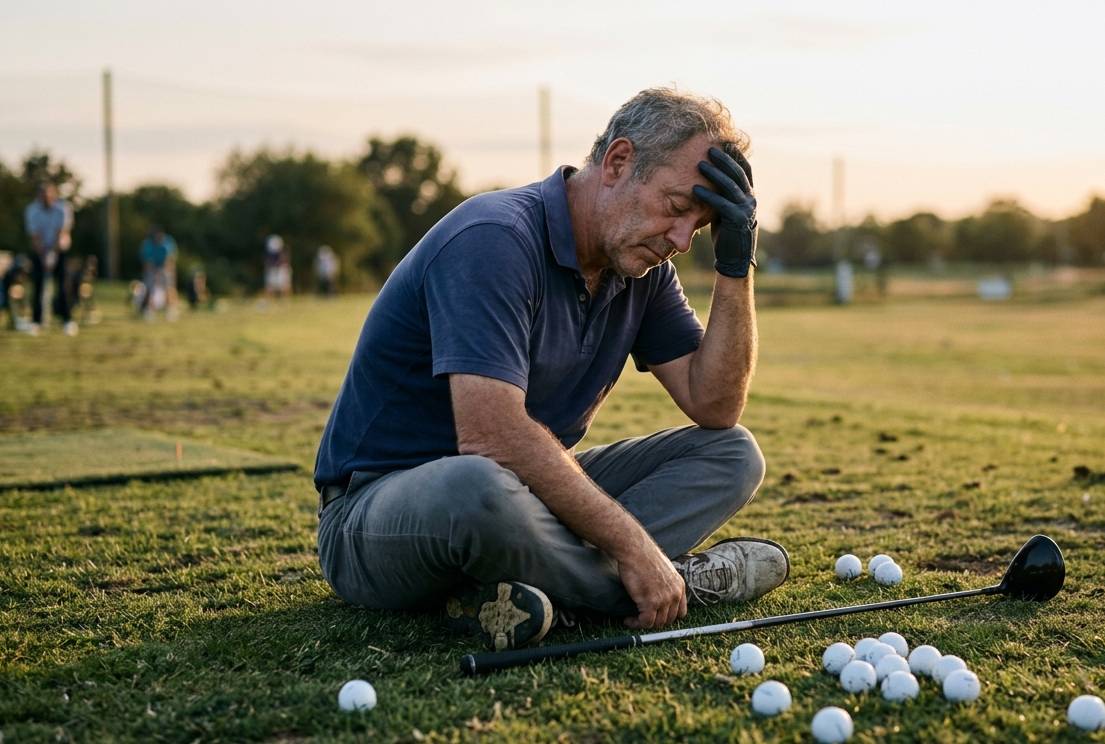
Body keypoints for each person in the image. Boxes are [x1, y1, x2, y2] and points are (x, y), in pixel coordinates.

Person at [313, 88, 783, 652]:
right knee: (476, 482)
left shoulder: (642, 268)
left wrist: (735, 263)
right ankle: (670, 582)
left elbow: (715, 405)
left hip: (521, 498)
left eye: (701, 227)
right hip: (378, 513)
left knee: (733, 452)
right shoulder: (495, 237)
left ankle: (522, 593)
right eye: (679, 208)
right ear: (617, 163)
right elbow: (489, 435)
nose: (683, 241)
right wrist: (636, 550)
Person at [23, 181, 77, 335]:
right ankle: (36, 321)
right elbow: (35, 237)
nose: (45, 198)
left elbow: (62, 232)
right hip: (40, 250)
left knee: (63, 284)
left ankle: (67, 320)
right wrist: (44, 257)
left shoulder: (63, 208)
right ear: (38, 195)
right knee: (38, 285)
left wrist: (53, 255)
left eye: (48, 194)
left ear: (54, 194)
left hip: (59, 248)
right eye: (42, 194)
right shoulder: (32, 210)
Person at [139, 227, 179, 321]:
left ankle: (171, 310)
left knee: (169, 287)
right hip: (152, 268)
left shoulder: (168, 242)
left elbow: (170, 260)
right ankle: (149, 310)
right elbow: (147, 263)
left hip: (165, 268)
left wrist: (163, 271)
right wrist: (155, 273)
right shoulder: (148, 244)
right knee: (149, 288)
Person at [262, 234, 291, 302]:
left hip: (281, 269)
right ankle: (269, 301)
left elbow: (285, 261)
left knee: (284, 285)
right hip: (272, 270)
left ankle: (286, 301)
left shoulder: (284, 252)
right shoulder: (270, 252)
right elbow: (267, 262)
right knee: (270, 286)